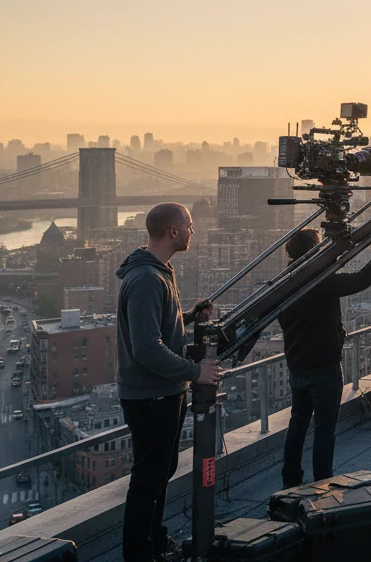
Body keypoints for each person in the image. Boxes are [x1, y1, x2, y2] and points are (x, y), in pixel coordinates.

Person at [115, 202, 222, 562]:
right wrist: (196, 373)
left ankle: (155, 543)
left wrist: (190, 316)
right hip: (151, 396)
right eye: (189, 225)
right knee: (148, 480)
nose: (194, 231)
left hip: (163, 392)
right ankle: (139, 554)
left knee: (162, 472)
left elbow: (160, 329)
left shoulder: (158, 271)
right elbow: (146, 348)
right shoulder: (146, 279)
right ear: (173, 231)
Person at [276, 228, 371, 488]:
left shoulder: (284, 282)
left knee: (297, 425)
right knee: (325, 430)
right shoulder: (318, 280)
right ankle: (322, 482)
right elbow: (360, 280)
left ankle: (290, 481)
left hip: (297, 365)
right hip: (324, 367)